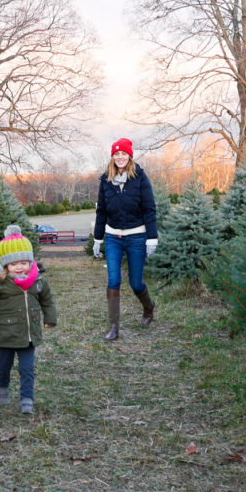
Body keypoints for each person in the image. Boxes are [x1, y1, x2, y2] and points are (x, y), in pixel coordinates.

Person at [0, 225, 57, 414]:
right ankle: (2, 391)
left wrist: (50, 318)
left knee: (27, 369)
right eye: (14, 264)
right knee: (4, 366)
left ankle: (27, 400)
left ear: (30, 262)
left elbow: (48, 300)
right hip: (5, 334)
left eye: (24, 262)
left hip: (28, 335)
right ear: (5, 266)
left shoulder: (38, 282)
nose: (19, 267)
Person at [92, 138, 158, 340]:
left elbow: (149, 209)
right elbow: (101, 211)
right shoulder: (105, 180)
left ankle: (148, 307)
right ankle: (114, 327)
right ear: (112, 156)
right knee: (113, 280)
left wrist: (152, 238)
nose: (120, 157)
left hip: (137, 236)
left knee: (136, 283)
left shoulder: (140, 178)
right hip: (113, 237)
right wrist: (98, 238)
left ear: (129, 156)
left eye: (124, 154)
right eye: (116, 154)